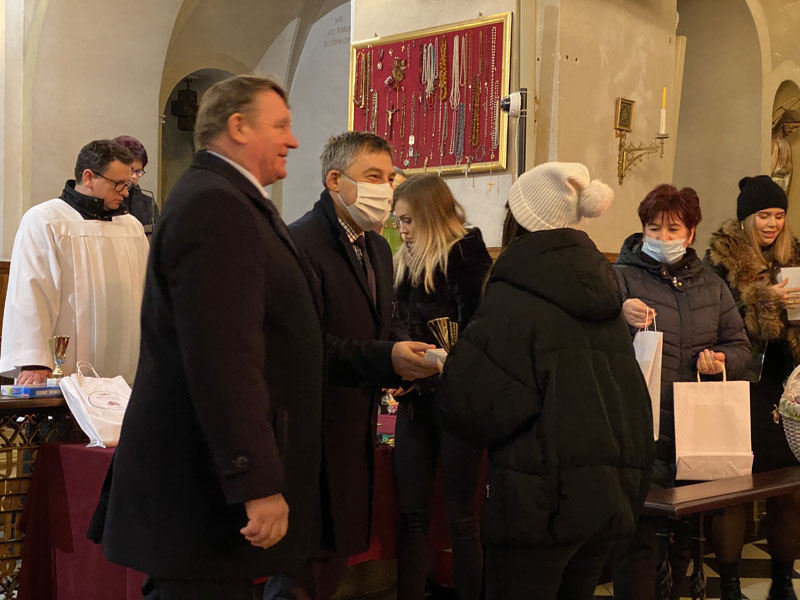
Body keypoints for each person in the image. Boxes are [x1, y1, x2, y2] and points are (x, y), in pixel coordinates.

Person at [88, 75, 436, 600]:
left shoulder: (233, 200)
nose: (292, 140)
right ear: (238, 127)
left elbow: (285, 340)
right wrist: (257, 484)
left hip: (211, 486)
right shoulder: (215, 204)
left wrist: (384, 358)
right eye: (280, 125)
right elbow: (223, 358)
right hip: (198, 487)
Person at [438, 162, 655, 600]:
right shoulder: (603, 286)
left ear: (517, 220)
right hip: (605, 498)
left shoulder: (515, 293)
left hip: (538, 503)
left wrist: (451, 365)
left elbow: (474, 404)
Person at [262, 132, 439, 599]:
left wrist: (404, 358)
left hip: (354, 426)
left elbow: (383, 323)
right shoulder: (300, 242)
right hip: (309, 432)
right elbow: (305, 346)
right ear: (335, 180)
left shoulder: (376, 246)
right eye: (372, 176)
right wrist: (385, 359)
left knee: (331, 566)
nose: (386, 188)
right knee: (300, 572)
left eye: (390, 177)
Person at [611, 184, 751, 600]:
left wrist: (721, 360)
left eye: (673, 230)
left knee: (684, 541)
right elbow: (591, 343)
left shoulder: (711, 285)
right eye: (654, 229)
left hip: (695, 429)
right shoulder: (620, 278)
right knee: (638, 542)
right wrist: (618, 315)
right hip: (640, 429)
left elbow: (740, 347)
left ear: (691, 233)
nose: (663, 238)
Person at [390, 173, 492, 600]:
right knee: (412, 515)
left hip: (456, 401)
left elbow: (478, 334)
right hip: (415, 400)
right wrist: (396, 369)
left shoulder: (465, 256)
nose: (401, 229)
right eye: (397, 220)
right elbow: (394, 324)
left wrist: (438, 364)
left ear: (431, 215)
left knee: (461, 517)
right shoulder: (403, 261)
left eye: (408, 220)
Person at [706, 175, 800, 600]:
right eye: (764, 215)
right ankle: (729, 586)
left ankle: (782, 582)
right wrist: (765, 301)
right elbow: (718, 322)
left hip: (785, 390)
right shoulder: (721, 260)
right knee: (735, 492)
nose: (773, 224)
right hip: (741, 388)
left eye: (779, 215)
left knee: (789, 492)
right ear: (747, 218)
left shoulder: (794, 257)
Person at [0, 139, 148, 384]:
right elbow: (30, 294)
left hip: (126, 374)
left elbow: (146, 294)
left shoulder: (131, 227)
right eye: (119, 184)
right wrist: (34, 362)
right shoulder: (46, 220)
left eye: (128, 184)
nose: (125, 192)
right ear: (89, 177)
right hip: (64, 371)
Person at [113, 135, 160, 236]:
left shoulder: (148, 203)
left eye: (138, 171)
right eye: (131, 170)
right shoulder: (104, 200)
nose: (134, 176)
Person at [771, 110, 800, 193]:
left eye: (796, 128)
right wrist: (780, 167)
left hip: (782, 189)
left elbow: (788, 170)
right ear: (784, 124)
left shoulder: (786, 144)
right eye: (793, 127)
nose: (794, 131)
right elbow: (767, 172)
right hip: (772, 190)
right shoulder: (774, 143)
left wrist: (787, 170)